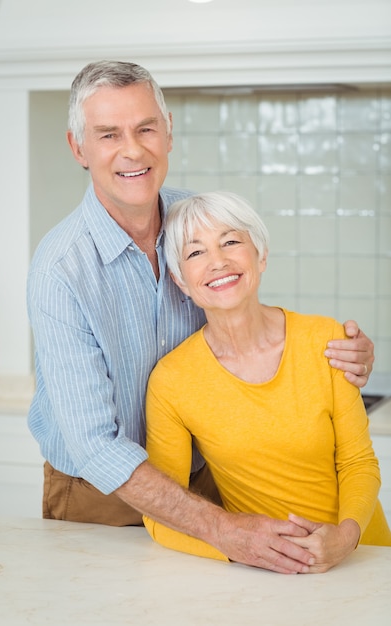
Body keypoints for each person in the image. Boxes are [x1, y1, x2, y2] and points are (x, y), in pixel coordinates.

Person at [27, 60, 375, 575]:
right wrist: (222, 529)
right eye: (108, 134)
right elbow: (96, 447)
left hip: (208, 475)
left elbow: (244, 324)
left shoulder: (198, 223)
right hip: (97, 495)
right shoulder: (61, 269)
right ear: (79, 148)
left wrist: (347, 354)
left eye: (147, 128)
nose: (133, 150)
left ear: (168, 133)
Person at [143, 191, 391, 573]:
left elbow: (358, 462)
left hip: (364, 559)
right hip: (266, 576)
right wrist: (242, 550)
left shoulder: (326, 339)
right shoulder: (171, 381)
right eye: (196, 253)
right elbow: (161, 515)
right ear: (180, 281)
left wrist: (344, 538)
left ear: (260, 256)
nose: (218, 261)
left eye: (230, 242)